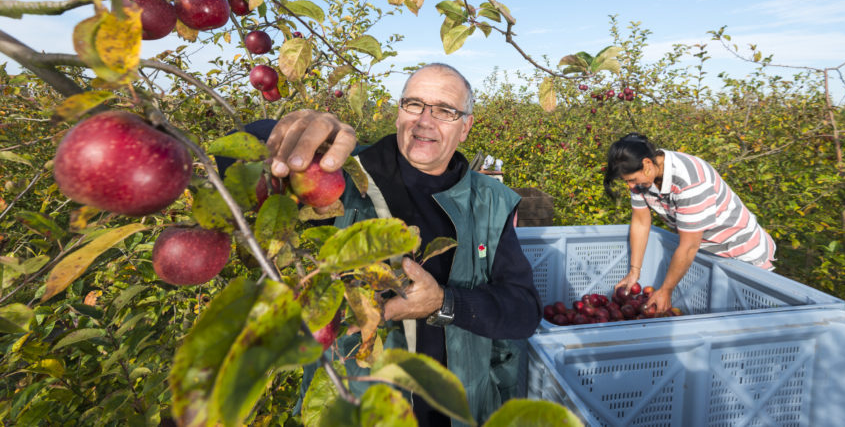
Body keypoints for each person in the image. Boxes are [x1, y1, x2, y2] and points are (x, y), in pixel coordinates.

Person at [252, 63, 542, 426]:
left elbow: (524, 312)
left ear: (465, 127)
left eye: (445, 110)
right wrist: (289, 133)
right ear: (398, 113)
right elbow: (246, 161)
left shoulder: (491, 201)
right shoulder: (345, 180)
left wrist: (443, 303)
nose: (425, 120)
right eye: (414, 104)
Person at [604, 133, 776, 313]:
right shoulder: (642, 180)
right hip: (706, 254)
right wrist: (634, 271)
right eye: (627, 181)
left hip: (740, 252)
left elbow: (688, 247)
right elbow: (640, 222)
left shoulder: (690, 180)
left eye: (631, 180)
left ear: (647, 164)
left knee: (742, 319)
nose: (631, 186)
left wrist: (666, 290)